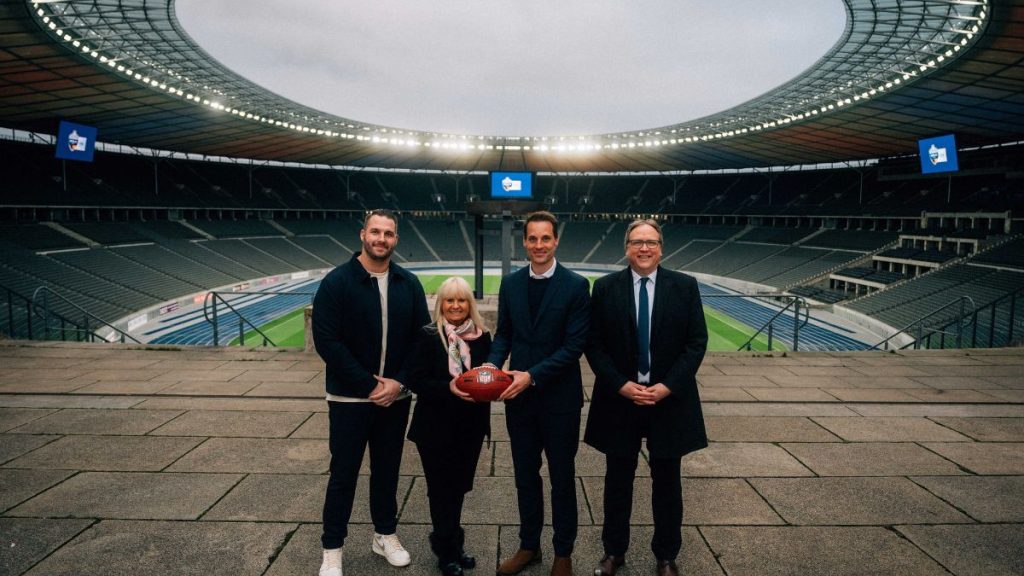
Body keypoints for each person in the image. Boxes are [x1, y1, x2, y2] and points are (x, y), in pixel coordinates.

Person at [584, 219, 708, 576]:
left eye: (651, 242)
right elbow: (594, 344)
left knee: (668, 482)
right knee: (617, 481)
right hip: (620, 399)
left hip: (668, 400)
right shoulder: (605, 288)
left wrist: (668, 386)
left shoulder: (684, 286)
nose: (644, 248)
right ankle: (614, 552)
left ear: (661, 248)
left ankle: (666, 556)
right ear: (626, 247)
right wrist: (620, 384)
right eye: (637, 242)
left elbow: (696, 343)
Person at [312, 209, 430, 576]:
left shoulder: (408, 283)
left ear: (396, 239)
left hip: (395, 398)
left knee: (387, 472)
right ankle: (332, 547)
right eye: (375, 232)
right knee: (343, 473)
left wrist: (399, 384)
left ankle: (385, 535)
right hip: (349, 399)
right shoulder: (337, 282)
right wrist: (369, 384)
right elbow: (327, 341)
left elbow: (421, 340)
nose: (382, 239)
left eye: (389, 233)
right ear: (363, 235)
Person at [486, 211, 591, 576]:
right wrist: (491, 369)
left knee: (562, 477)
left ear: (556, 240)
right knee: (524, 476)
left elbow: (574, 346)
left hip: (559, 400)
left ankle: (564, 552)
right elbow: (504, 336)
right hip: (519, 399)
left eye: (545, 238)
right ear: (524, 242)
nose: (539, 245)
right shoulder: (511, 284)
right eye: (532, 239)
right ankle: (529, 545)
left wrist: (531, 376)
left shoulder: (576, 286)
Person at [407, 276, 492, 576]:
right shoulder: (428, 335)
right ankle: (445, 551)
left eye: (462, 300)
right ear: (440, 303)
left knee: (458, 489)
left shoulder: (483, 337)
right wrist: (450, 388)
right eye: (449, 300)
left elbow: (486, 377)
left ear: (470, 303)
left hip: (470, 428)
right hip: (434, 428)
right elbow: (415, 379)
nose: (456, 306)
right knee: (441, 490)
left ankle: (454, 544)